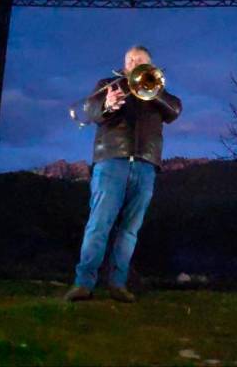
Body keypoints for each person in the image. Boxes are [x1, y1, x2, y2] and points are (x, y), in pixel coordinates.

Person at [64, 45, 182, 303]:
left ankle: (118, 284)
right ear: (124, 64)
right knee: (99, 224)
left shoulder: (158, 91)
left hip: (145, 163)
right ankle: (84, 284)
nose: (134, 63)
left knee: (130, 230)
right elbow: (92, 112)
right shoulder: (108, 84)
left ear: (150, 66)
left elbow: (174, 111)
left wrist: (153, 91)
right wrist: (107, 105)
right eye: (130, 60)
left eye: (140, 60)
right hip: (111, 161)